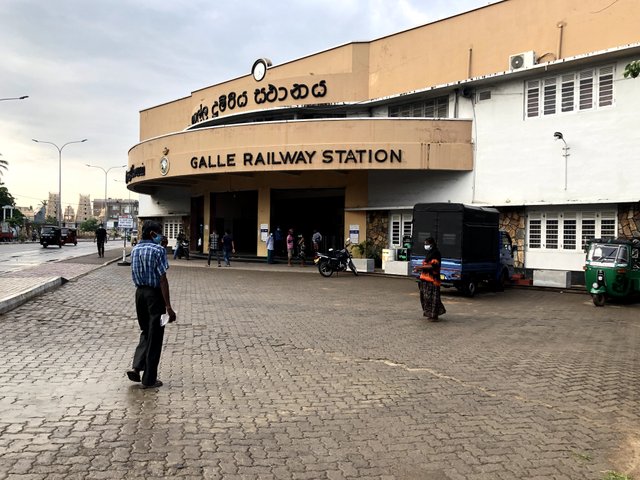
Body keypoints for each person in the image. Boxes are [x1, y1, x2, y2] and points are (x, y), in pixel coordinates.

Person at [127, 220, 176, 389]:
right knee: (155, 336)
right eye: (160, 232)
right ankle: (149, 379)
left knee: (146, 331)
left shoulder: (135, 250)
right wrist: (168, 307)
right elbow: (162, 279)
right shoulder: (158, 250)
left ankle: (137, 366)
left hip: (139, 294)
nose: (162, 235)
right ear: (153, 234)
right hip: (154, 296)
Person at [414, 237, 446, 321]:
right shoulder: (430, 253)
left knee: (432, 298)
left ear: (431, 244)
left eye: (427, 244)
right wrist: (420, 269)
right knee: (425, 298)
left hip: (433, 280)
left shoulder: (436, 253)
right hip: (425, 279)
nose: (425, 245)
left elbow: (433, 266)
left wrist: (420, 267)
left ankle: (434, 315)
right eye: (425, 244)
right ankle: (430, 314)